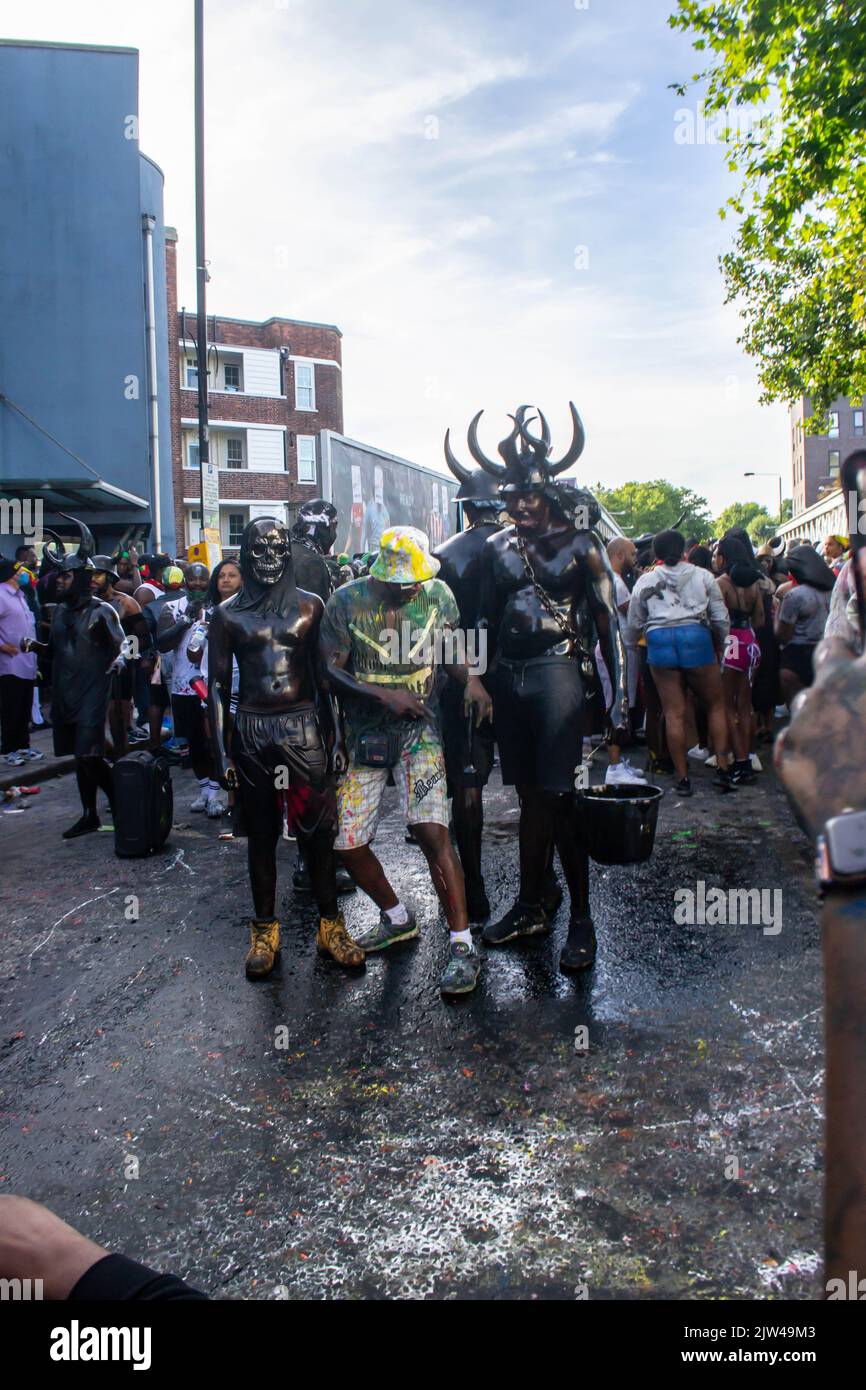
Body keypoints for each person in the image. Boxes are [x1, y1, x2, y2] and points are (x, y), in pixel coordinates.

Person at [468, 403, 627, 972]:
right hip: (509, 681)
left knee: (562, 799)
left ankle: (579, 917)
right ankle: (534, 904)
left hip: (560, 676)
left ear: (548, 492)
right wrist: (476, 681)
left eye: (528, 496)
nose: (518, 506)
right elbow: (482, 620)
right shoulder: (495, 549)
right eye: (510, 497)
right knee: (532, 799)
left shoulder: (582, 545)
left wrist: (620, 697)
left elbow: (610, 625)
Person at [320, 525, 492, 996]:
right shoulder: (346, 601)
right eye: (403, 584)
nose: (411, 589)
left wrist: (470, 680)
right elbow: (329, 671)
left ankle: (460, 944)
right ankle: (397, 917)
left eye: (417, 582)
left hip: (420, 735)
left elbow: (452, 647)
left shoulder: (437, 594)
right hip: (365, 738)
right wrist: (382, 694)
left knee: (433, 831)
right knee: (347, 841)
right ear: (383, 576)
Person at [208, 517, 359, 978]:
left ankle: (331, 925)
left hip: (303, 726)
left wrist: (336, 736)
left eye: (277, 548)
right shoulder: (228, 614)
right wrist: (223, 752)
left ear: (289, 553)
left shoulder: (311, 607)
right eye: (258, 549)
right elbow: (216, 687)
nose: (269, 558)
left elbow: (324, 678)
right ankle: (264, 931)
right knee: (261, 835)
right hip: (253, 729)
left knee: (318, 834)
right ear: (244, 554)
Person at [434, 450, 507, 921]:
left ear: (465, 505)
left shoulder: (443, 554)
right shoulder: (517, 546)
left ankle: (474, 888)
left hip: (460, 672)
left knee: (466, 784)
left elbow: (437, 630)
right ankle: (541, 889)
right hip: (513, 669)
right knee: (538, 786)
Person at [22, 517, 123, 837]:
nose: (60, 582)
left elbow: (128, 644)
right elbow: (54, 651)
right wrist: (34, 646)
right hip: (66, 691)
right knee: (81, 760)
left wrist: (121, 660)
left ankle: (120, 799)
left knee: (89, 754)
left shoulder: (103, 611)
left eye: (65, 576)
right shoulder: (62, 612)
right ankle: (90, 813)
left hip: (93, 691)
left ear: (81, 578)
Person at [627, 529, 733, 797]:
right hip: (696, 638)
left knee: (673, 712)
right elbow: (720, 617)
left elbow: (634, 622)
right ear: (684, 551)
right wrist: (721, 641)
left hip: (659, 641)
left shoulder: (645, 580)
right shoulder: (703, 576)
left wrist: (633, 644)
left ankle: (683, 778)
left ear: (656, 553)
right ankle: (722, 769)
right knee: (715, 705)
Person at [157, 562, 223, 816]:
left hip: (211, 686)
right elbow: (162, 643)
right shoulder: (171, 608)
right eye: (192, 580)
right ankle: (204, 791)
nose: (197, 584)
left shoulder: (219, 609)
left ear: (209, 582)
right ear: (184, 581)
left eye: (202, 580)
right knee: (193, 744)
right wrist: (185, 621)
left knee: (213, 742)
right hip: (184, 686)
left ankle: (216, 794)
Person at [714, 534, 764, 786]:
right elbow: (761, 620)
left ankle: (736, 761)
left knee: (727, 705)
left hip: (730, 643)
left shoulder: (721, 583)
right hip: (751, 642)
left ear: (724, 557)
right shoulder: (755, 583)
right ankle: (747, 760)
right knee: (746, 705)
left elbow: (719, 620)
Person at [90, 557, 148, 761]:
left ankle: (122, 764)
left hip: (119, 670)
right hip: (92, 669)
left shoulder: (125, 602)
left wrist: (127, 657)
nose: (93, 580)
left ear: (109, 576)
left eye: (98, 575)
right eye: (90, 575)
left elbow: (142, 636)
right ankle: (107, 757)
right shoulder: (85, 603)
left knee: (118, 721)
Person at [599, 537, 646, 786]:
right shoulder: (615, 581)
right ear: (619, 554)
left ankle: (619, 763)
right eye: (632, 552)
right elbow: (634, 613)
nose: (635, 557)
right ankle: (614, 767)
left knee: (620, 703)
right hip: (617, 650)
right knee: (616, 705)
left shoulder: (614, 579)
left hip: (622, 648)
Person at [775, 544, 836, 703]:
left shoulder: (794, 596)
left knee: (800, 710)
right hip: (827, 651)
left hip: (797, 658)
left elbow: (783, 636)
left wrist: (776, 611)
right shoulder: (833, 590)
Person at [0, 557, 40, 765]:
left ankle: (24, 746)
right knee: (12, 709)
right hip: (10, 663)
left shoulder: (21, 596)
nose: (25, 573)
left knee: (25, 708)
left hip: (27, 661)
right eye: (20, 570)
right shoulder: (1, 595)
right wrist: (3, 645)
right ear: (12, 574)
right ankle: (9, 750)